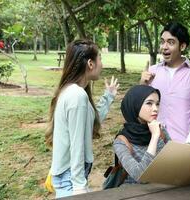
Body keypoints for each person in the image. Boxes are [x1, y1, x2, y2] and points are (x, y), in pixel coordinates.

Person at [45, 39, 119, 198]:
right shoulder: (76, 96)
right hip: (71, 180)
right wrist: (79, 186)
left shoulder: (74, 91)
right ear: (90, 64)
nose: (102, 64)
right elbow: (76, 144)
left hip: (69, 176)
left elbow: (92, 121)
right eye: (100, 59)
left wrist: (108, 97)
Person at [140, 22, 190, 143]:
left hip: (185, 145)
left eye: (171, 42)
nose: (164, 47)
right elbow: (139, 106)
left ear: (182, 46)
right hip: (153, 143)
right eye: (162, 41)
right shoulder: (152, 71)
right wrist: (142, 84)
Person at [113, 85, 170, 185]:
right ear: (135, 105)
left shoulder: (160, 131)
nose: (155, 109)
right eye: (149, 103)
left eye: (157, 104)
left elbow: (174, 160)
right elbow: (140, 176)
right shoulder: (121, 142)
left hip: (162, 190)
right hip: (133, 194)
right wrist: (154, 138)